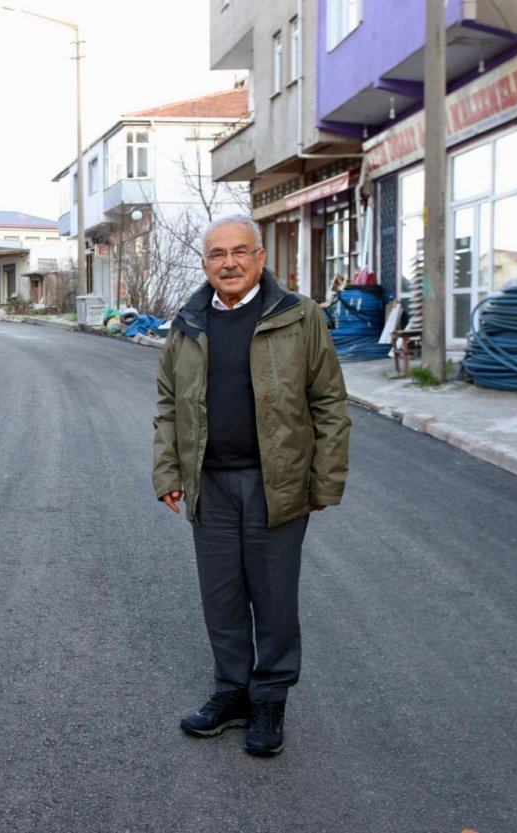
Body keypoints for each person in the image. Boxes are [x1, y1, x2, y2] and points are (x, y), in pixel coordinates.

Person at [152, 214, 350, 756]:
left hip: (276, 483)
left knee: (273, 598)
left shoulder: (299, 316)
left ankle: (269, 698)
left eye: (240, 251)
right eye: (218, 254)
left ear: (261, 258)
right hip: (209, 483)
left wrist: (325, 480)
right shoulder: (188, 323)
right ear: (205, 264)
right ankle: (232, 692)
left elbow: (329, 403)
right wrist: (168, 471)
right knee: (221, 598)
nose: (230, 263)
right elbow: (168, 404)